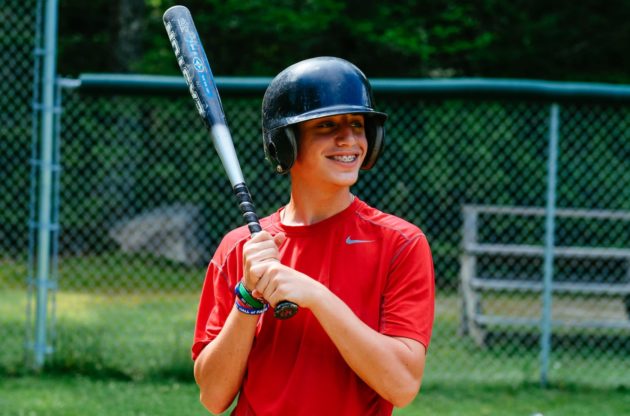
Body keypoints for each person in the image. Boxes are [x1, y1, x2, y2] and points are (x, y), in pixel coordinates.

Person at [192, 56, 435, 415]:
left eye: (357, 124)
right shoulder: (242, 249)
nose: (349, 139)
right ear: (287, 142)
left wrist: (318, 297)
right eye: (327, 126)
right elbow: (213, 397)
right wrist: (247, 298)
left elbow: (401, 385)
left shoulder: (400, 243)